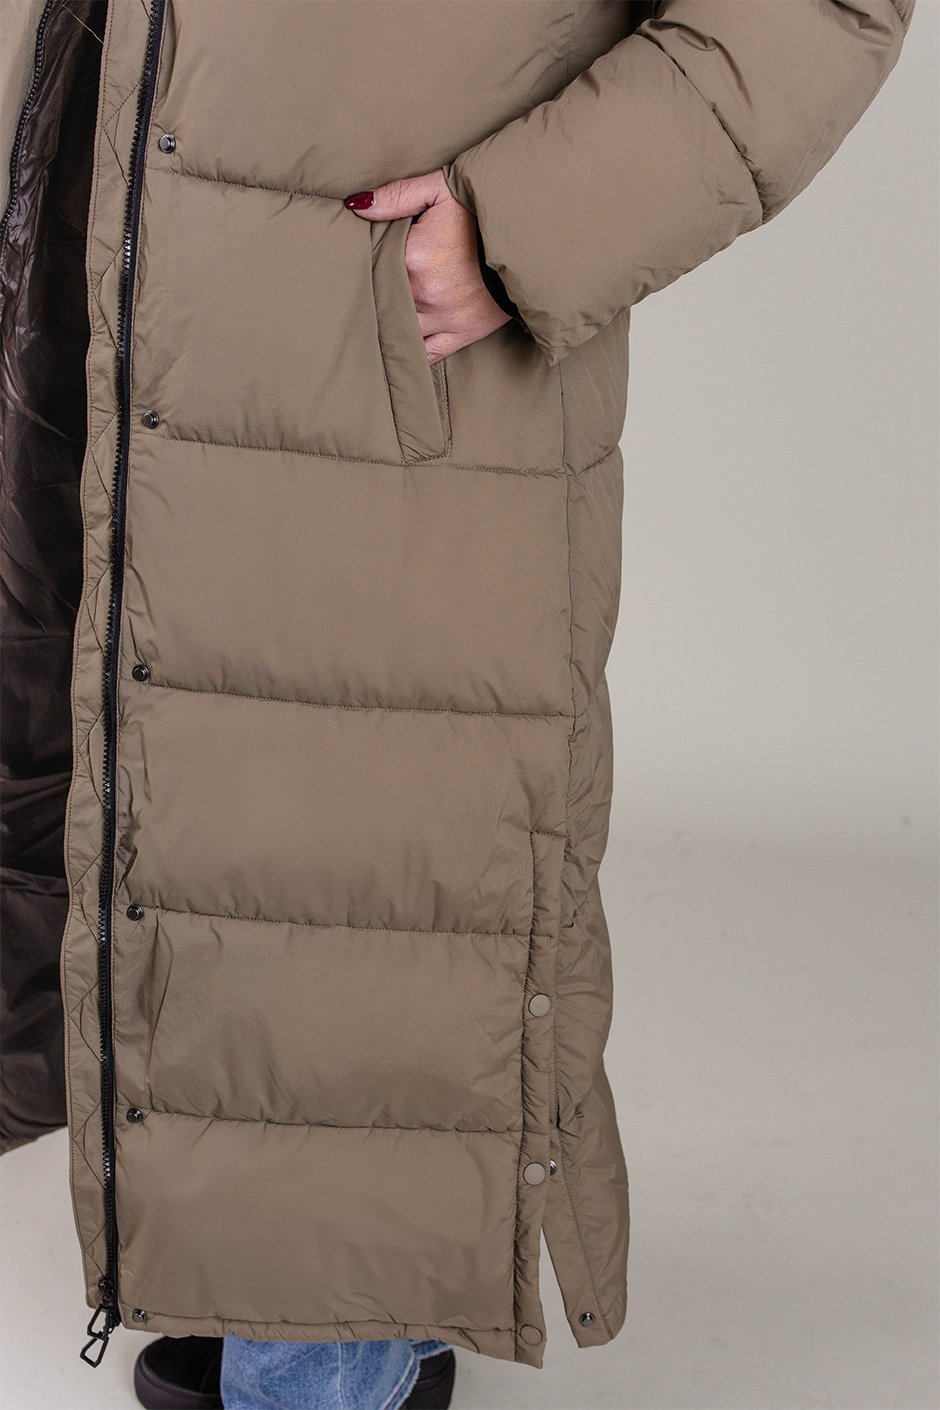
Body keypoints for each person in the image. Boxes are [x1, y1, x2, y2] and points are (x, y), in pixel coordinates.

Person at [0, 2, 914, 1408]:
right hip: (121, 241)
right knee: (196, 817)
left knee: (352, 860)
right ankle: (289, 1300)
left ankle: (321, 1359)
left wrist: (526, 224)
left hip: (367, 322)